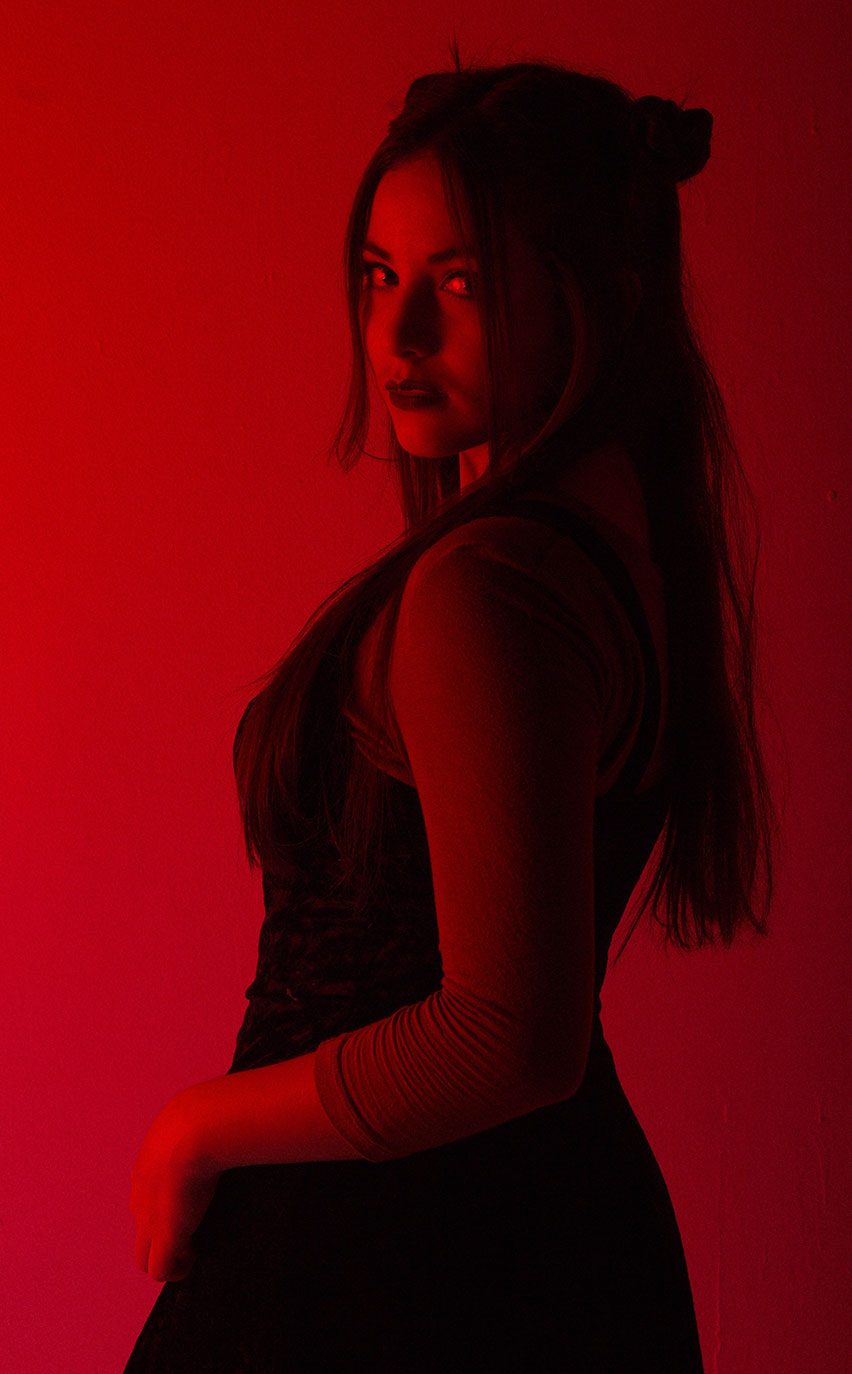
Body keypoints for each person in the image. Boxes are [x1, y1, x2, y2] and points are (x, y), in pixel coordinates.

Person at [125, 47, 780, 1372]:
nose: (399, 334)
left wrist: (194, 1129)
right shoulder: (617, 549)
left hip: (390, 1261)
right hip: (531, 1234)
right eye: (379, 275)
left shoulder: (489, 584)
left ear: (594, 293)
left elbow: (506, 1033)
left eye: (461, 282)